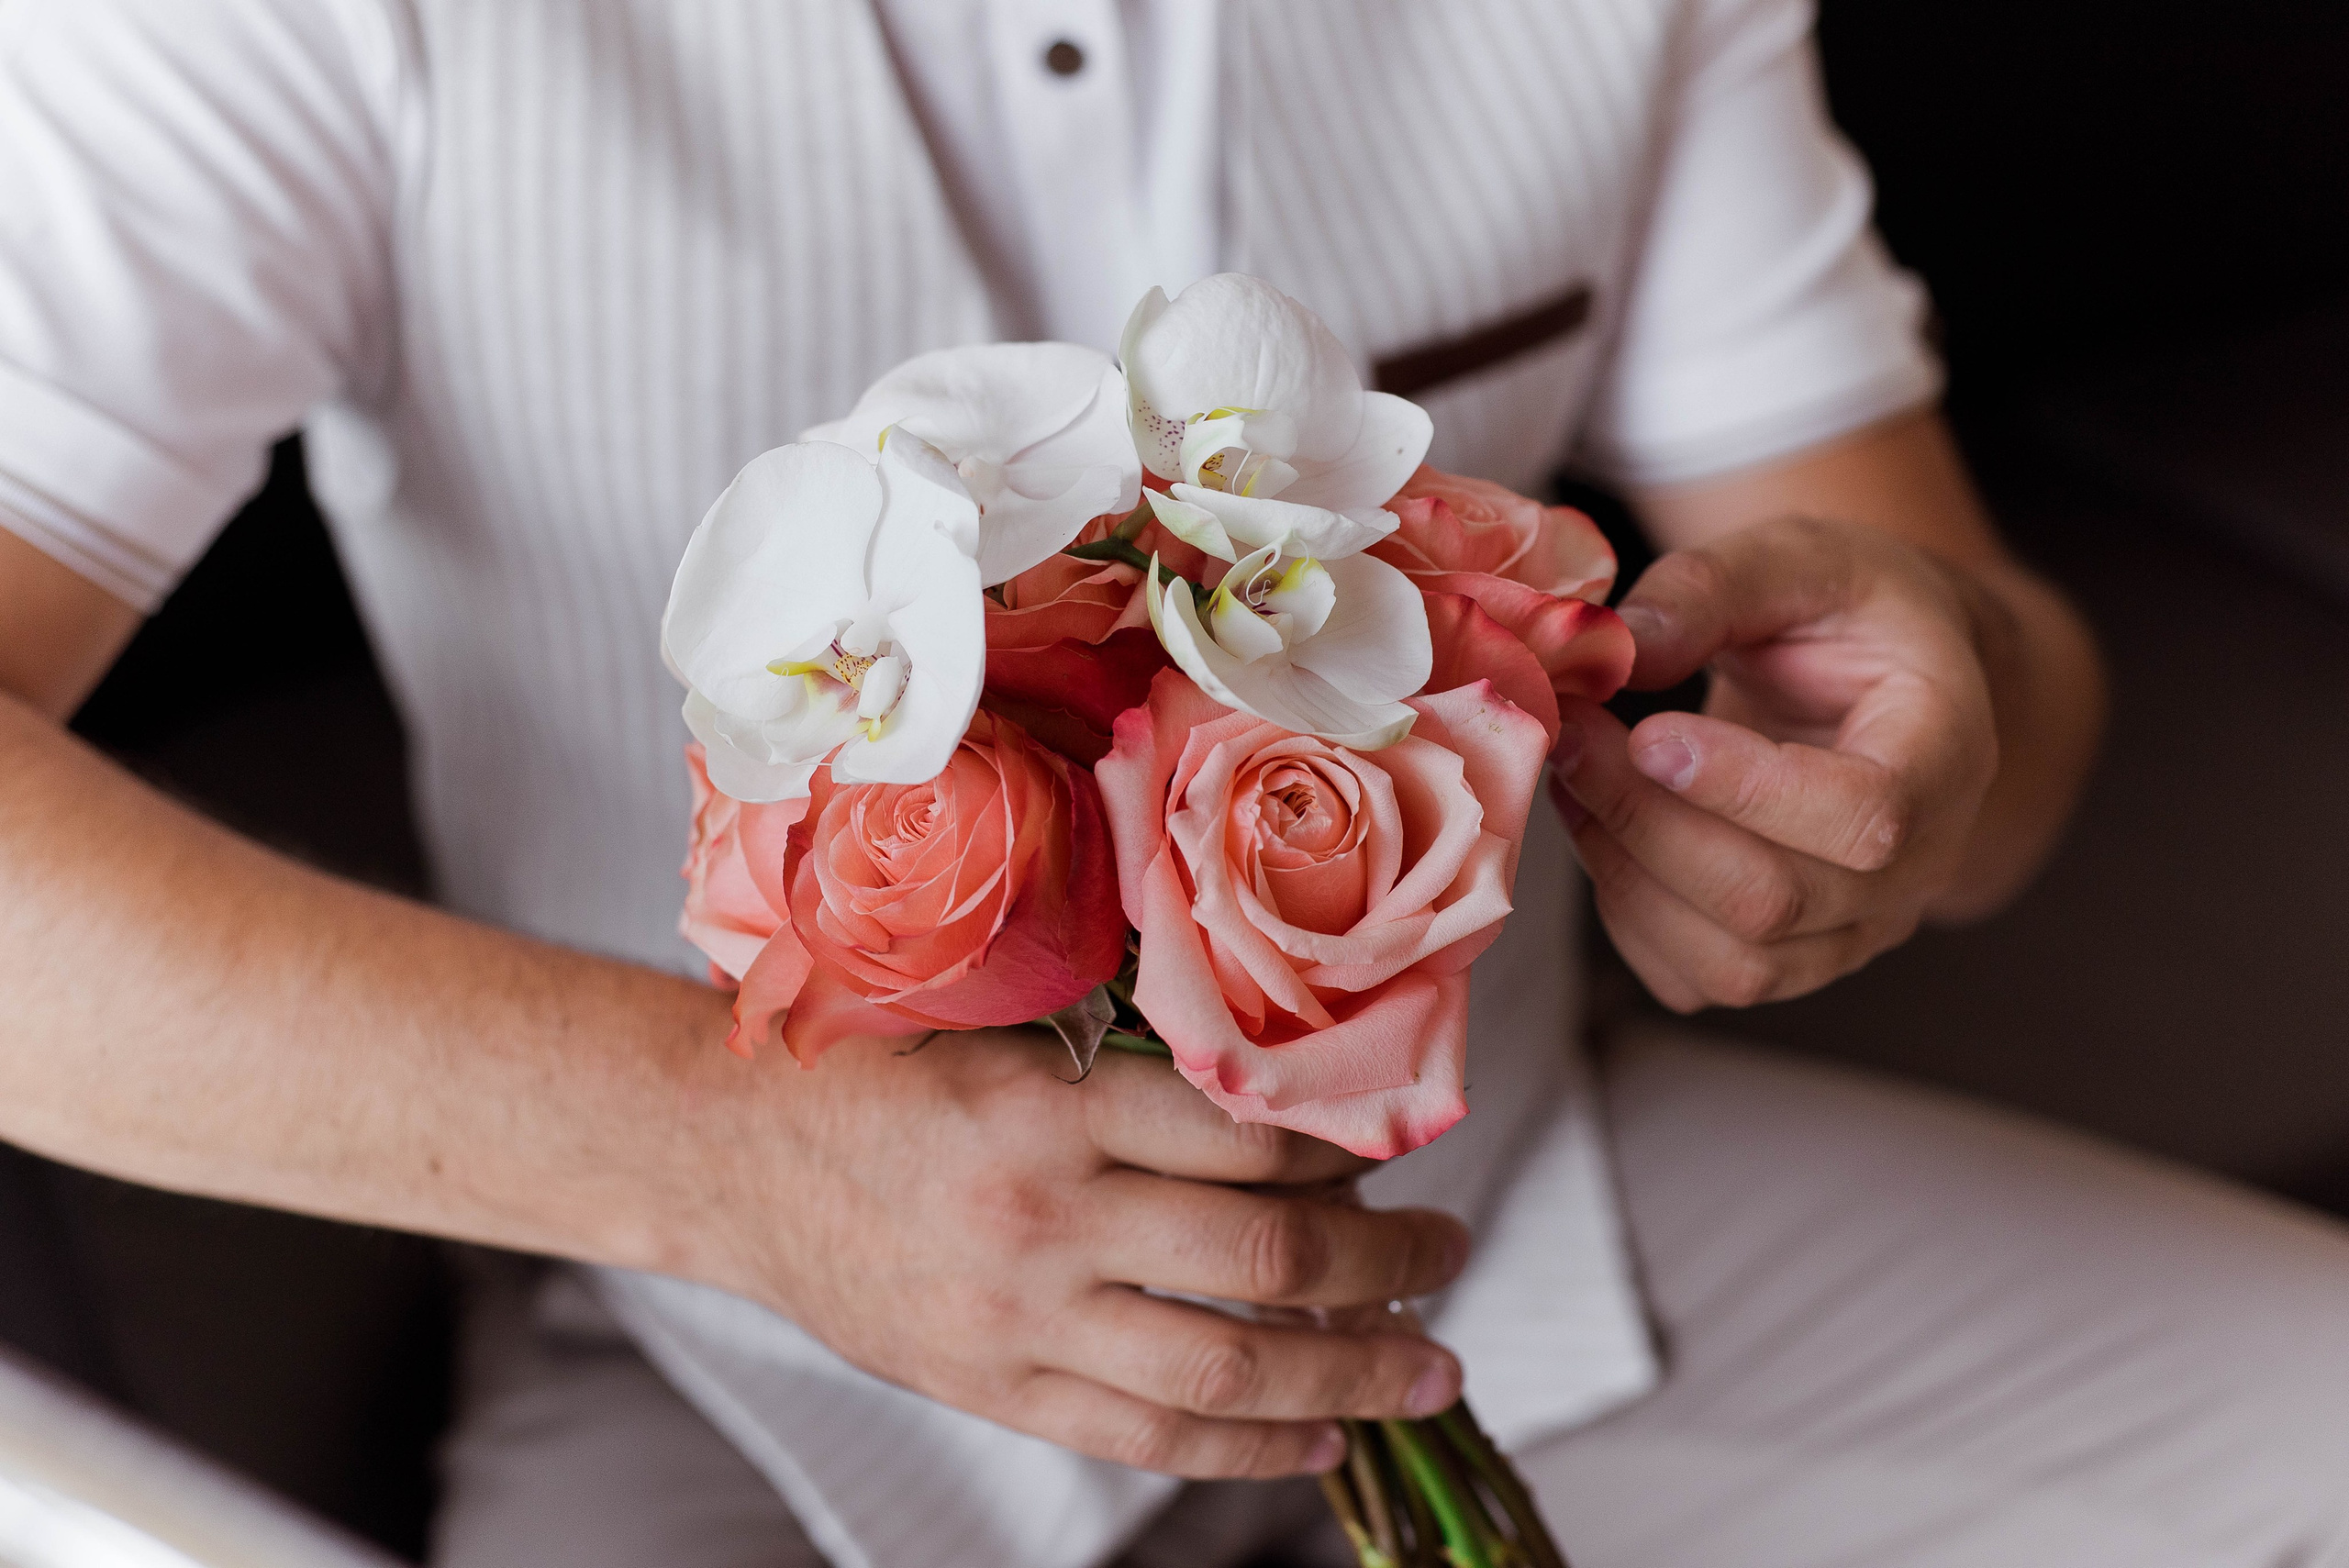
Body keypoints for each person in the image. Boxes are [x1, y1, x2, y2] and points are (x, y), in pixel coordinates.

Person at [2, 2, 2345, 1565]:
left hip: (1513, 1228)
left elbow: (1984, 685)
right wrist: (737, 1161)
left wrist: (1934, 744)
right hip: (718, 1350)